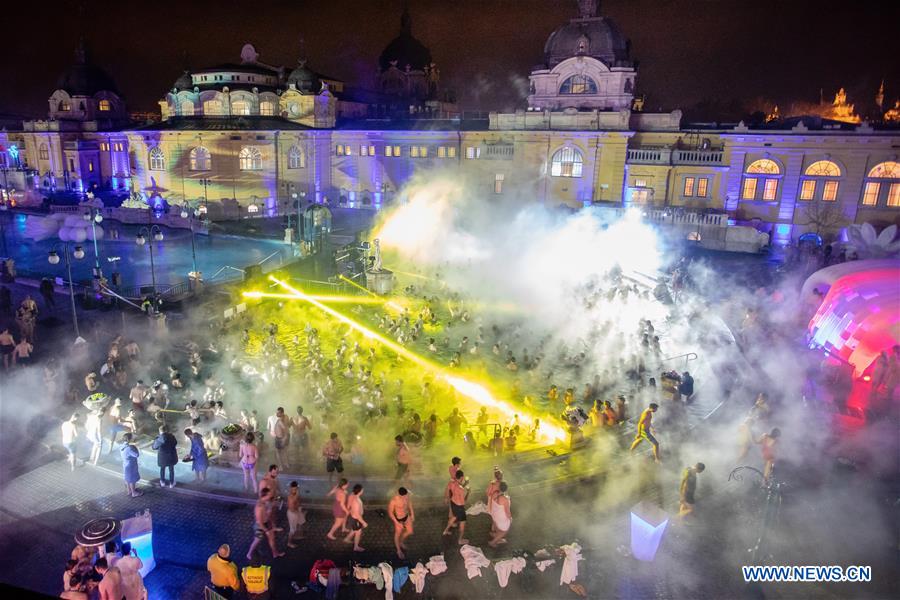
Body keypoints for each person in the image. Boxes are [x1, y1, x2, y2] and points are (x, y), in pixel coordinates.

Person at [247, 486, 285, 560]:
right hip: (260, 526)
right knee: (257, 540)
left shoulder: (265, 501)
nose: (271, 496)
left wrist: (277, 499)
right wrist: (266, 530)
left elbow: (273, 500)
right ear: (264, 496)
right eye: (269, 495)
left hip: (267, 523)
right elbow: (260, 522)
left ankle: (275, 553)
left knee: (272, 539)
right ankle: (249, 553)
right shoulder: (259, 507)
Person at [442, 469, 470, 545]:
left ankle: (445, 531)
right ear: (461, 477)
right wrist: (468, 492)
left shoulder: (452, 482)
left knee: (454, 517)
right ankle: (460, 540)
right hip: (459, 507)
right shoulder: (461, 489)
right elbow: (464, 502)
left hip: (453, 503)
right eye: (463, 477)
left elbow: (449, 489)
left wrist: (446, 498)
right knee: (462, 524)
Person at [388, 487, 414, 559]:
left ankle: (401, 541)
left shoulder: (406, 495)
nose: (405, 497)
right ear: (399, 495)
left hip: (406, 516)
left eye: (406, 495)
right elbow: (390, 513)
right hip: (399, 519)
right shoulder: (394, 501)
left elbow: (409, 504)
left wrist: (412, 514)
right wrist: (397, 523)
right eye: (404, 496)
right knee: (397, 534)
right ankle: (398, 550)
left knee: (410, 531)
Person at [343, 484, 367, 552]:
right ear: (360, 491)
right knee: (358, 532)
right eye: (362, 489)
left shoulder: (352, 495)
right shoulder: (356, 501)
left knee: (354, 530)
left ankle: (347, 539)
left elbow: (349, 506)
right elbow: (357, 514)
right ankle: (356, 547)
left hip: (353, 517)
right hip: (356, 519)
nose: (363, 490)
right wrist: (363, 522)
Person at [488, 481, 512, 547]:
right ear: (506, 489)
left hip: (494, 515)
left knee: (498, 525)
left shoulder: (494, 493)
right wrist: (510, 519)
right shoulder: (505, 499)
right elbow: (508, 512)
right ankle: (492, 542)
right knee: (505, 530)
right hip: (499, 519)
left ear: (499, 488)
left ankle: (496, 535)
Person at [120, 433, 142, 498]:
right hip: (131, 465)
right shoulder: (129, 448)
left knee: (127, 478)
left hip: (125, 464)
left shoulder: (122, 446)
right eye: (132, 438)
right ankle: (134, 493)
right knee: (132, 479)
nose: (133, 439)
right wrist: (135, 447)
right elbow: (136, 455)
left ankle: (129, 490)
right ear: (129, 439)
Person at [286, 480, 305, 548]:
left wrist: (300, 510)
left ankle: (297, 535)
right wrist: (297, 511)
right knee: (292, 530)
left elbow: (298, 502)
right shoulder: (291, 498)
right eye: (293, 489)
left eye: (296, 489)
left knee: (301, 522)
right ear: (291, 489)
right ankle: (289, 543)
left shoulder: (296, 494)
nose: (295, 491)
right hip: (293, 514)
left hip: (297, 511)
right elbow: (292, 509)